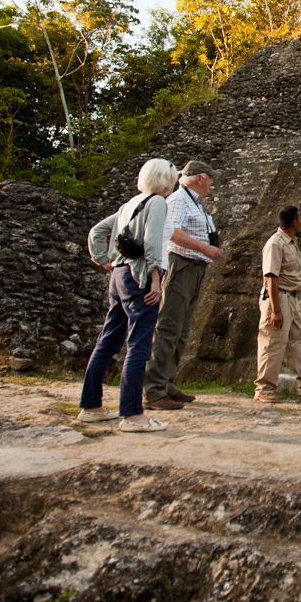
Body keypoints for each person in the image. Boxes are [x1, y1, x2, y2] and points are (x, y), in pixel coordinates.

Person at [79, 157, 179, 432]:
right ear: (165, 179)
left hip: (118, 276)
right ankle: (133, 415)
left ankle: (91, 407)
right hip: (140, 278)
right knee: (139, 345)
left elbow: (97, 231)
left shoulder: (129, 204)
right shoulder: (157, 202)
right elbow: (151, 242)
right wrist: (155, 280)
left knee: (108, 341)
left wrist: (104, 260)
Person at [144, 160, 225, 411]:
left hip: (193, 268)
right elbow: (173, 233)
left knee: (181, 330)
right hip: (181, 265)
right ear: (200, 178)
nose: (212, 184)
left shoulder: (194, 202)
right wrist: (205, 248)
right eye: (210, 179)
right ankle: (154, 389)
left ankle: (166, 382)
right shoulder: (178, 200)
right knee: (169, 327)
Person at [255, 205, 301, 404]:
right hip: (278, 297)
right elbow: (270, 277)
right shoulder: (275, 243)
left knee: (297, 340)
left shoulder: (290, 242)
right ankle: (264, 388)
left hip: (291, 297)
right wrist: (275, 309)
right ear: (294, 221)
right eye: (300, 218)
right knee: (273, 341)